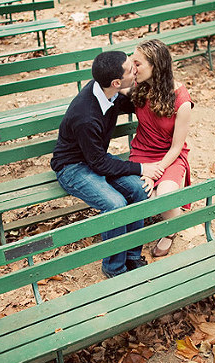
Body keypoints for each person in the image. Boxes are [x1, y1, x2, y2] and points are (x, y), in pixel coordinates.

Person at [51, 50, 163, 278]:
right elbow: (100, 164)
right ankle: (114, 268)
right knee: (115, 204)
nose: (134, 69)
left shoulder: (107, 92)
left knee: (139, 191)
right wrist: (142, 168)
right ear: (116, 82)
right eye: (130, 68)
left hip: (95, 158)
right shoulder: (86, 116)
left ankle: (132, 256)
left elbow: (134, 105)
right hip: (72, 167)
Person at [129, 39, 193, 258]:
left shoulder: (182, 101)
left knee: (162, 196)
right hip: (141, 153)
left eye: (137, 63)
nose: (132, 67)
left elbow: (177, 147)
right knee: (144, 192)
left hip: (169, 156)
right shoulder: (138, 85)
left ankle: (172, 230)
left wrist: (156, 170)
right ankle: (173, 216)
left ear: (155, 66)